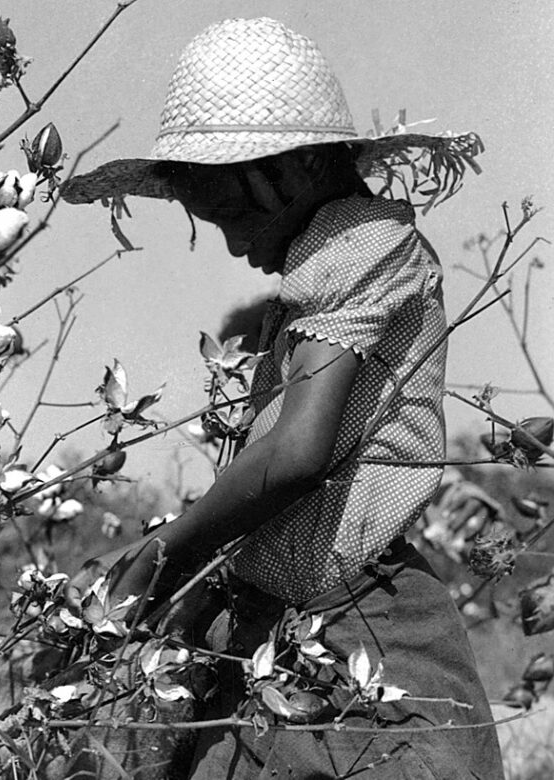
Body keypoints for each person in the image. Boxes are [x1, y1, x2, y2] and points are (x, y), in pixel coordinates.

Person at [60, 17, 503, 780]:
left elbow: (296, 455)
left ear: (290, 173)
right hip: (293, 623)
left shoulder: (363, 245)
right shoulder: (323, 268)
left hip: (360, 614)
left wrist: (165, 550)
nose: (235, 246)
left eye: (233, 215)